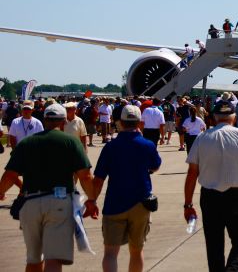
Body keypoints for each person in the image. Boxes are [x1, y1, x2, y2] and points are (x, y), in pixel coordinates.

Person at [0, 103, 99, 271]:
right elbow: (85, 176)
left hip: (30, 203)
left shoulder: (27, 143)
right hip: (59, 203)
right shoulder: (71, 142)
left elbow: (10, 175)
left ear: (44, 120)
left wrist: (1, 191)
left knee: (33, 259)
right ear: (63, 122)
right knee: (53, 260)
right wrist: (91, 200)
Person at [183, 99, 238, 271]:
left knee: (214, 245)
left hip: (210, 196)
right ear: (234, 117)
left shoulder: (202, 138)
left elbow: (192, 173)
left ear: (214, 117)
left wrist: (188, 204)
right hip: (235, 196)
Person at [93, 105, 162, 272]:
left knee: (110, 252)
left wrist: (91, 200)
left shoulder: (110, 147)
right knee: (136, 250)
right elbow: (155, 166)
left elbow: (99, 178)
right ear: (139, 122)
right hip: (141, 201)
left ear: (120, 122)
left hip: (115, 203)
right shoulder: (147, 145)